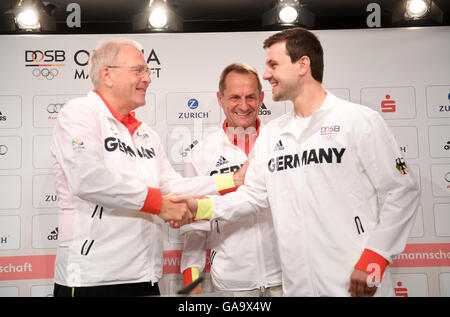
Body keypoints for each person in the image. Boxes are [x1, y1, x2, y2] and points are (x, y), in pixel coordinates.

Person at [173, 27, 420, 297]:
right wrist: (200, 207)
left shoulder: (359, 120)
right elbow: (253, 196)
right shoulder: (273, 133)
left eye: (273, 64)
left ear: (303, 65)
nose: (266, 74)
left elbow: (402, 190)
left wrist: (376, 255)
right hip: (296, 285)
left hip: (353, 282)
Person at [50, 38, 244, 297]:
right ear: (107, 74)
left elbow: (171, 185)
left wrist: (234, 179)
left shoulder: (146, 134)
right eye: (138, 70)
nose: (148, 79)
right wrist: (159, 204)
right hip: (90, 280)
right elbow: (87, 179)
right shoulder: (80, 113)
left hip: (145, 277)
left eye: (148, 71)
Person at [180, 63, 282, 297]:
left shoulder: (281, 143)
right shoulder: (202, 153)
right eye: (235, 97)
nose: (244, 105)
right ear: (220, 98)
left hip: (287, 277)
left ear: (262, 97)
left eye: (251, 97)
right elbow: (194, 229)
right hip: (233, 283)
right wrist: (191, 282)